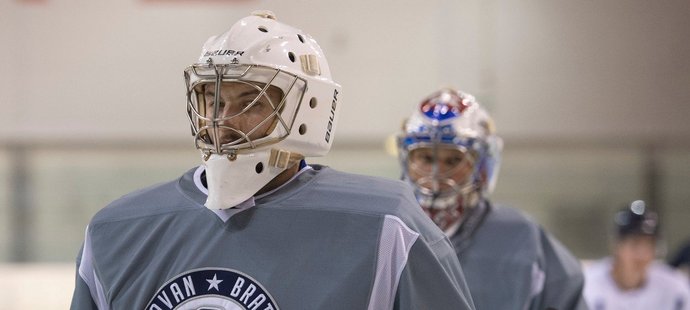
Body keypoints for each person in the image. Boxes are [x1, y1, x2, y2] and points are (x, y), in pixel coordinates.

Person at [70, 11, 476, 310]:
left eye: (250, 101)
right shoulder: (114, 232)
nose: (223, 120)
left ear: (308, 110)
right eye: (212, 99)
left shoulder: (390, 226)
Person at [396, 87, 588, 310]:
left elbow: (565, 295)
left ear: (482, 166)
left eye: (452, 160)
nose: (436, 172)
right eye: (426, 157)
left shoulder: (521, 239)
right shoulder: (392, 229)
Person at [583, 200, 690, 310]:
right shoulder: (588, 285)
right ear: (616, 245)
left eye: (649, 245)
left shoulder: (674, 287)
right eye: (635, 244)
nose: (642, 254)